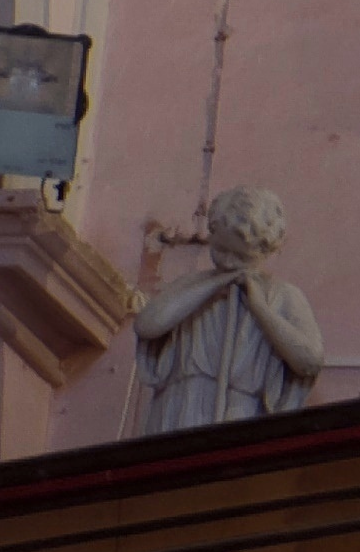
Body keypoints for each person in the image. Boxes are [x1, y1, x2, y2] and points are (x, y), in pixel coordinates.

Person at [131, 183, 324, 430]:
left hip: (242, 414)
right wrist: (213, 285)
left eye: (242, 257)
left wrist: (259, 308)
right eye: (221, 250)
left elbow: (309, 360)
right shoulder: (191, 286)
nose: (230, 263)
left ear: (266, 251)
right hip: (180, 410)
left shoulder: (283, 295)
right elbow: (147, 325)